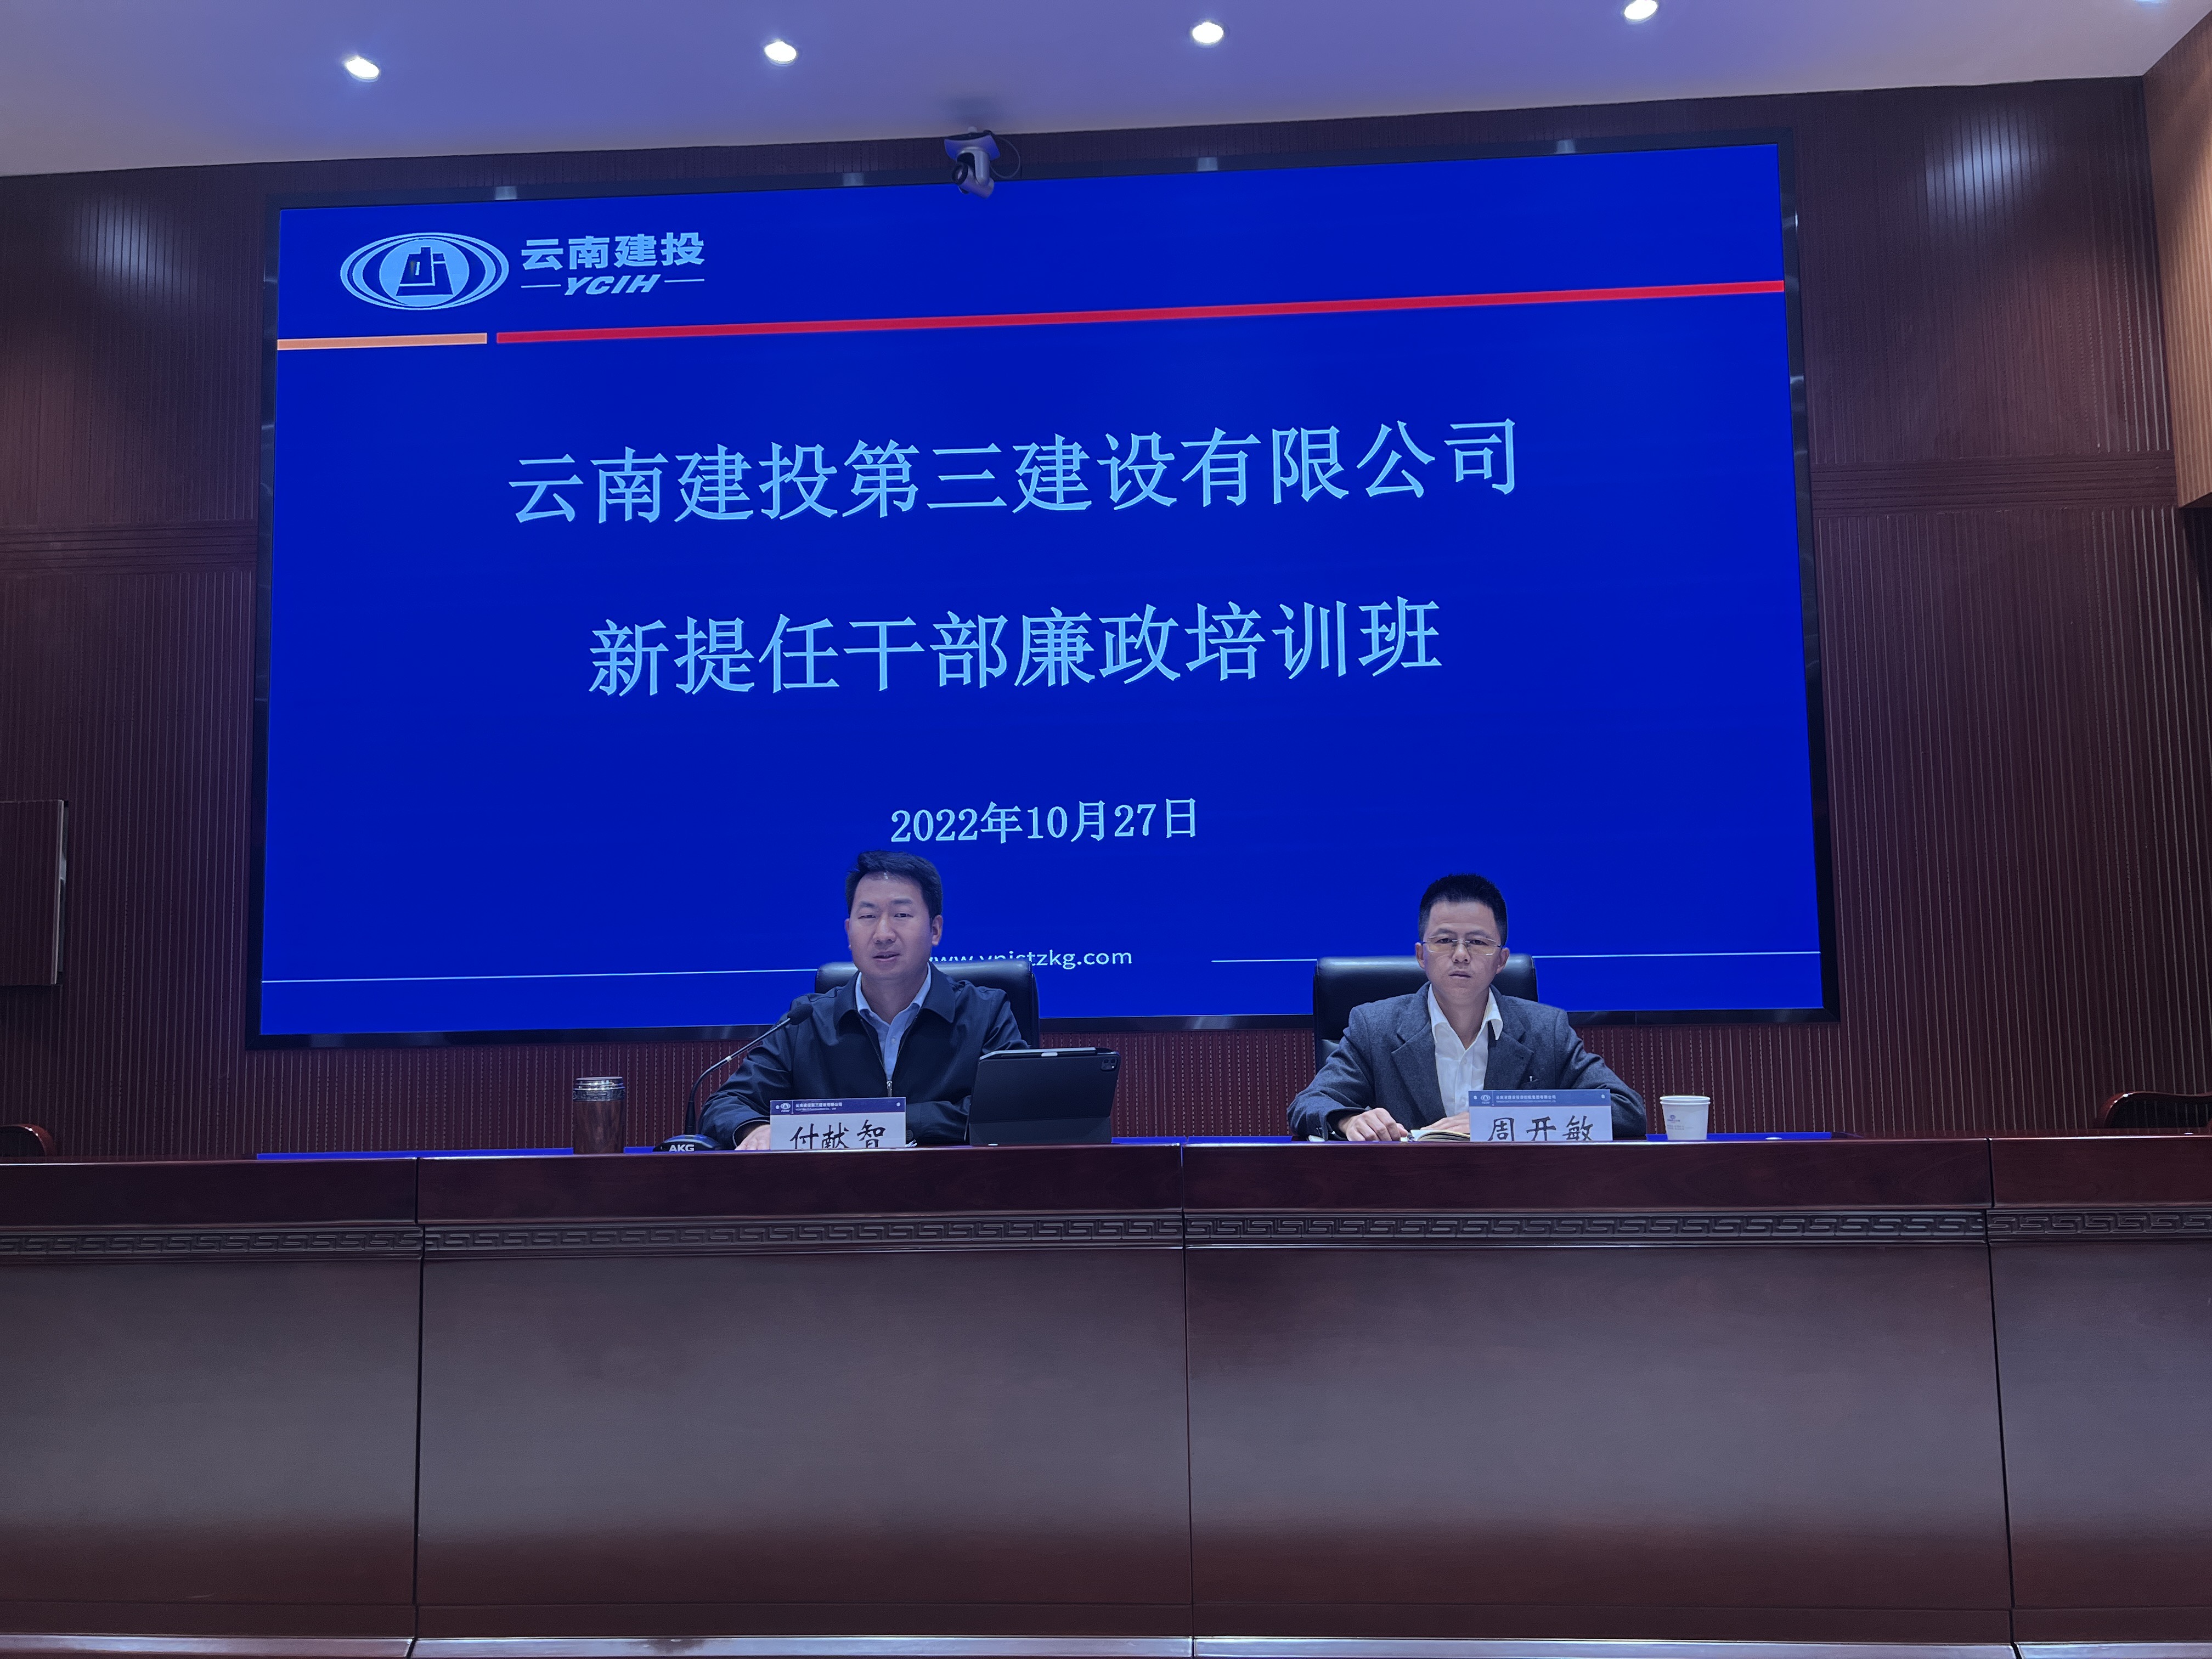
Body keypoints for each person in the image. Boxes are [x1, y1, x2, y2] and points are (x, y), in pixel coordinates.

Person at [699, 850, 1026, 1149]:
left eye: (901, 915)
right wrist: (755, 1129)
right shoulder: (806, 1022)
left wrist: (887, 1123)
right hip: (834, 1193)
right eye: (868, 917)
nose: (883, 934)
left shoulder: (985, 1013)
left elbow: (1012, 1110)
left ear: (935, 930)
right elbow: (726, 1105)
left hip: (956, 1189)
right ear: (849, 932)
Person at [1287, 872, 1646, 1141]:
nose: (1460, 955)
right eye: (1444, 941)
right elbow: (1310, 1104)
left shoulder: (1545, 1030)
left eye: (1478, 942)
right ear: (1421, 955)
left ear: (1501, 960)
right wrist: (1348, 1120)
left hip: (1514, 1203)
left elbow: (1626, 1111)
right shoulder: (1374, 1028)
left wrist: (1503, 1120)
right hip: (1407, 1202)